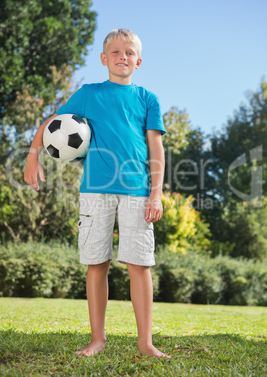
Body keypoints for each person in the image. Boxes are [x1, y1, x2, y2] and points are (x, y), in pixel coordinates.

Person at [24, 28, 170, 359]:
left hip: (137, 191)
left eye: (129, 52)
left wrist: (156, 193)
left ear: (139, 61)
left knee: (140, 265)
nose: (123, 57)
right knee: (96, 263)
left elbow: (156, 149)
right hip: (94, 191)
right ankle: (97, 339)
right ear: (104, 59)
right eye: (116, 52)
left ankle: (145, 343)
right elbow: (53, 122)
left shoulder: (148, 99)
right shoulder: (89, 93)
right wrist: (33, 156)